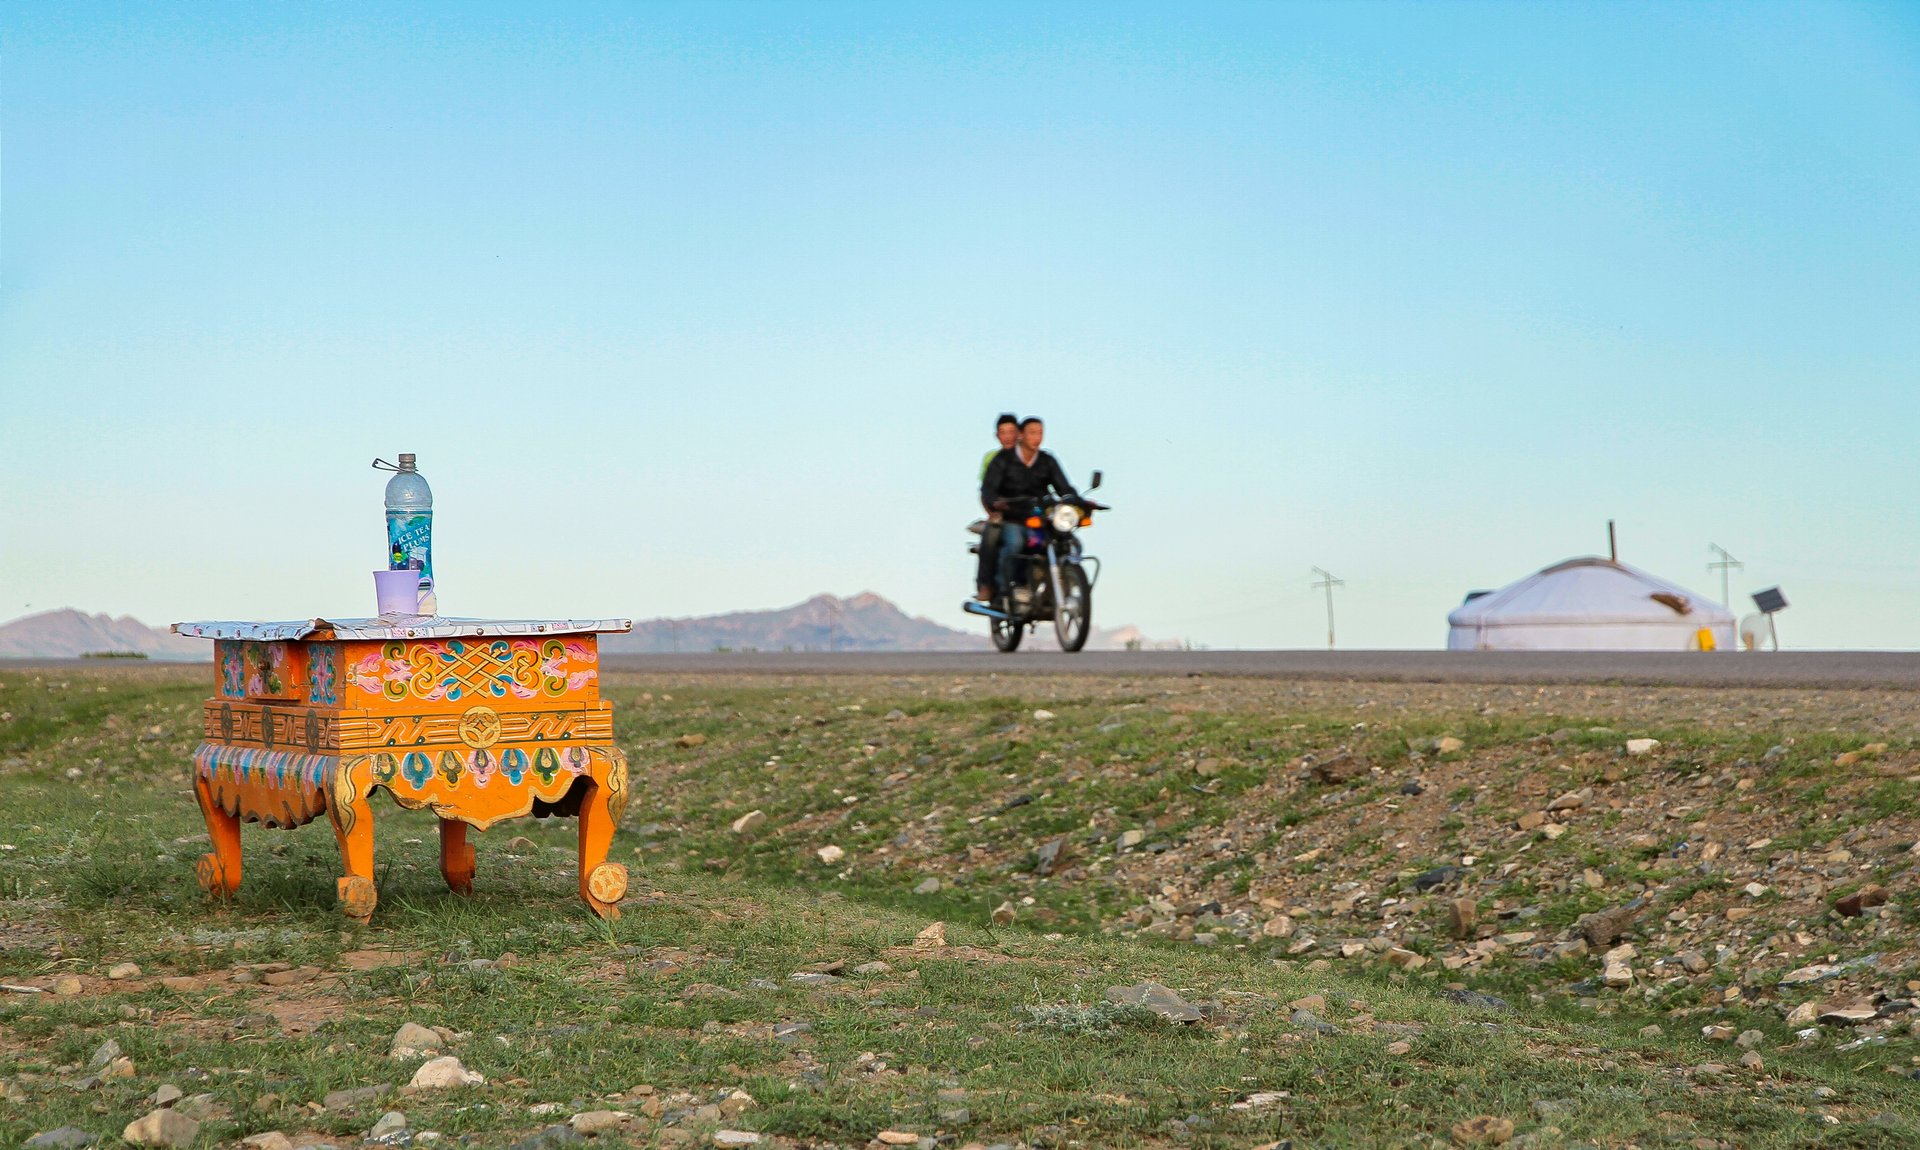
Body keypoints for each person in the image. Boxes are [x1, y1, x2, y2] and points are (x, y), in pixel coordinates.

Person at [980, 417, 1080, 597]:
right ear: (1021, 435)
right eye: (1032, 433)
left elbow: (1064, 487)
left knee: (1068, 543)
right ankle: (1008, 588)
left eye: (1040, 433)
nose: (1037, 438)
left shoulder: (1047, 460)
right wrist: (996, 501)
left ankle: (1062, 583)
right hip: (1014, 517)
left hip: (1041, 517)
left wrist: (1076, 500)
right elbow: (988, 488)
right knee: (1015, 544)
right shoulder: (1002, 460)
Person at [975, 414, 1020, 601]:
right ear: (997, 436)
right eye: (1003, 432)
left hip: (1028, 512)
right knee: (992, 536)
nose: (1008, 436)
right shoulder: (992, 459)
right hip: (1002, 512)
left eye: (1011, 432)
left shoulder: (1031, 456)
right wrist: (993, 512)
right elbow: (985, 490)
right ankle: (985, 584)